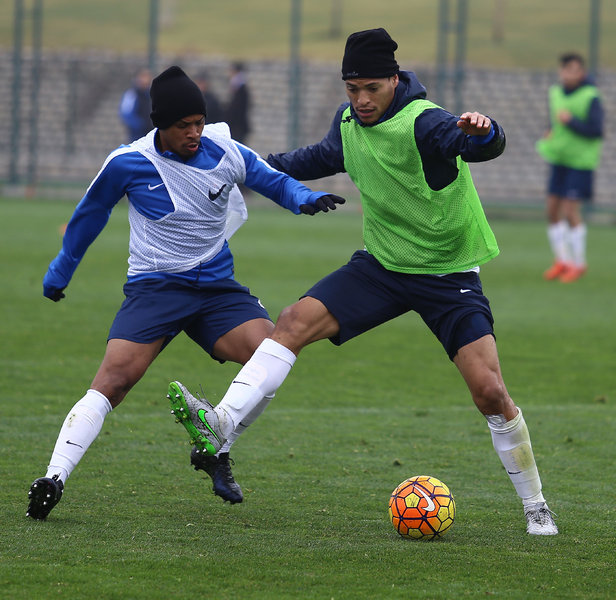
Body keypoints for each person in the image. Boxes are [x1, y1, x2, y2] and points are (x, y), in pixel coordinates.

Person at [168, 29, 559, 536]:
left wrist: (486, 131)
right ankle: (221, 425)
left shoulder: (426, 122)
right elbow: (320, 157)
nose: (362, 99)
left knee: (489, 392)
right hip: (382, 267)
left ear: (395, 80)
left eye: (372, 88)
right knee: (293, 321)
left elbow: (474, 144)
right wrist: (249, 166)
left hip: (447, 274)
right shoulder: (349, 120)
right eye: (352, 89)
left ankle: (536, 506)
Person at [26, 66, 344, 520]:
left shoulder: (225, 149)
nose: (194, 132)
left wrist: (304, 197)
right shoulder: (128, 162)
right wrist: (61, 271)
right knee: (113, 381)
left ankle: (217, 446)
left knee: (272, 354)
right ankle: (54, 478)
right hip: (155, 290)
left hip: (217, 292)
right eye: (183, 126)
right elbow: (90, 214)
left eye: (199, 122)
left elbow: (269, 178)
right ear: (160, 124)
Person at [536, 53, 604, 283]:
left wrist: (571, 121)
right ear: (561, 71)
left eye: (575, 70)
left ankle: (579, 263)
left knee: (570, 211)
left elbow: (596, 130)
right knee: (551, 210)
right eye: (566, 69)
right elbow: (555, 120)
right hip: (560, 158)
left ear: (582, 73)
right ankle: (562, 260)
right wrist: (550, 130)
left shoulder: (591, 96)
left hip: (581, 162)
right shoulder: (555, 92)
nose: (570, 74)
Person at [118, 67, 153, 142]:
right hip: (137, 135)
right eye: (143, 76)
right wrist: (141, 125)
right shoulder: (131, 95)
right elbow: (126, 114)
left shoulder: (153, 94)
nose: (145, 79)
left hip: (151, 134)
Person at [224, 62, 251, 143]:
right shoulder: (240, 87)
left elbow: (236, 109)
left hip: (237, 127)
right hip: (237, 126)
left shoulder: (240, 89)